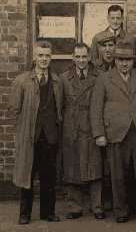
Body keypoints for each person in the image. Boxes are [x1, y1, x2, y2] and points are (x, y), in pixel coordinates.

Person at [90, 42, 136, 223]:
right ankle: (121, 212)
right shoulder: (104, 79)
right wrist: (99, 134)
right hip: (115, 132)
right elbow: (96, 108)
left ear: (133, 61)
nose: (124, 64)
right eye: (121, 60)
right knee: (118, 176)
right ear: (115, 60)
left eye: (128, 60)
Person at [8, 41, 63, 224]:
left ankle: (48, 212)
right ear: (34, 57)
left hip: (50, 136)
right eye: (40, 55)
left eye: (47, 55)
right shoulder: (22, 81)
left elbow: (58, 108)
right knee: (27, 176)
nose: (44, 59)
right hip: (30, 137)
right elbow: (14, 110)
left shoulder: (56, 81)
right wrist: (24, 130)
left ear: (51, 57)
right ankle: (25, 214)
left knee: (49, 177)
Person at [60, 43, 104, 220]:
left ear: (89, 57)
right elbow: (59, 105)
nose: (81, 60)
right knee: (73, 165)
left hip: (92, 124)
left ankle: (97, 207)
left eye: (84, 57)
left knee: (95, 166)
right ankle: (75, 207)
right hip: (72, 126)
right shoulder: (63, 78)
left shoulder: (100, 76)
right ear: (72, 58)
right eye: (77, 57)